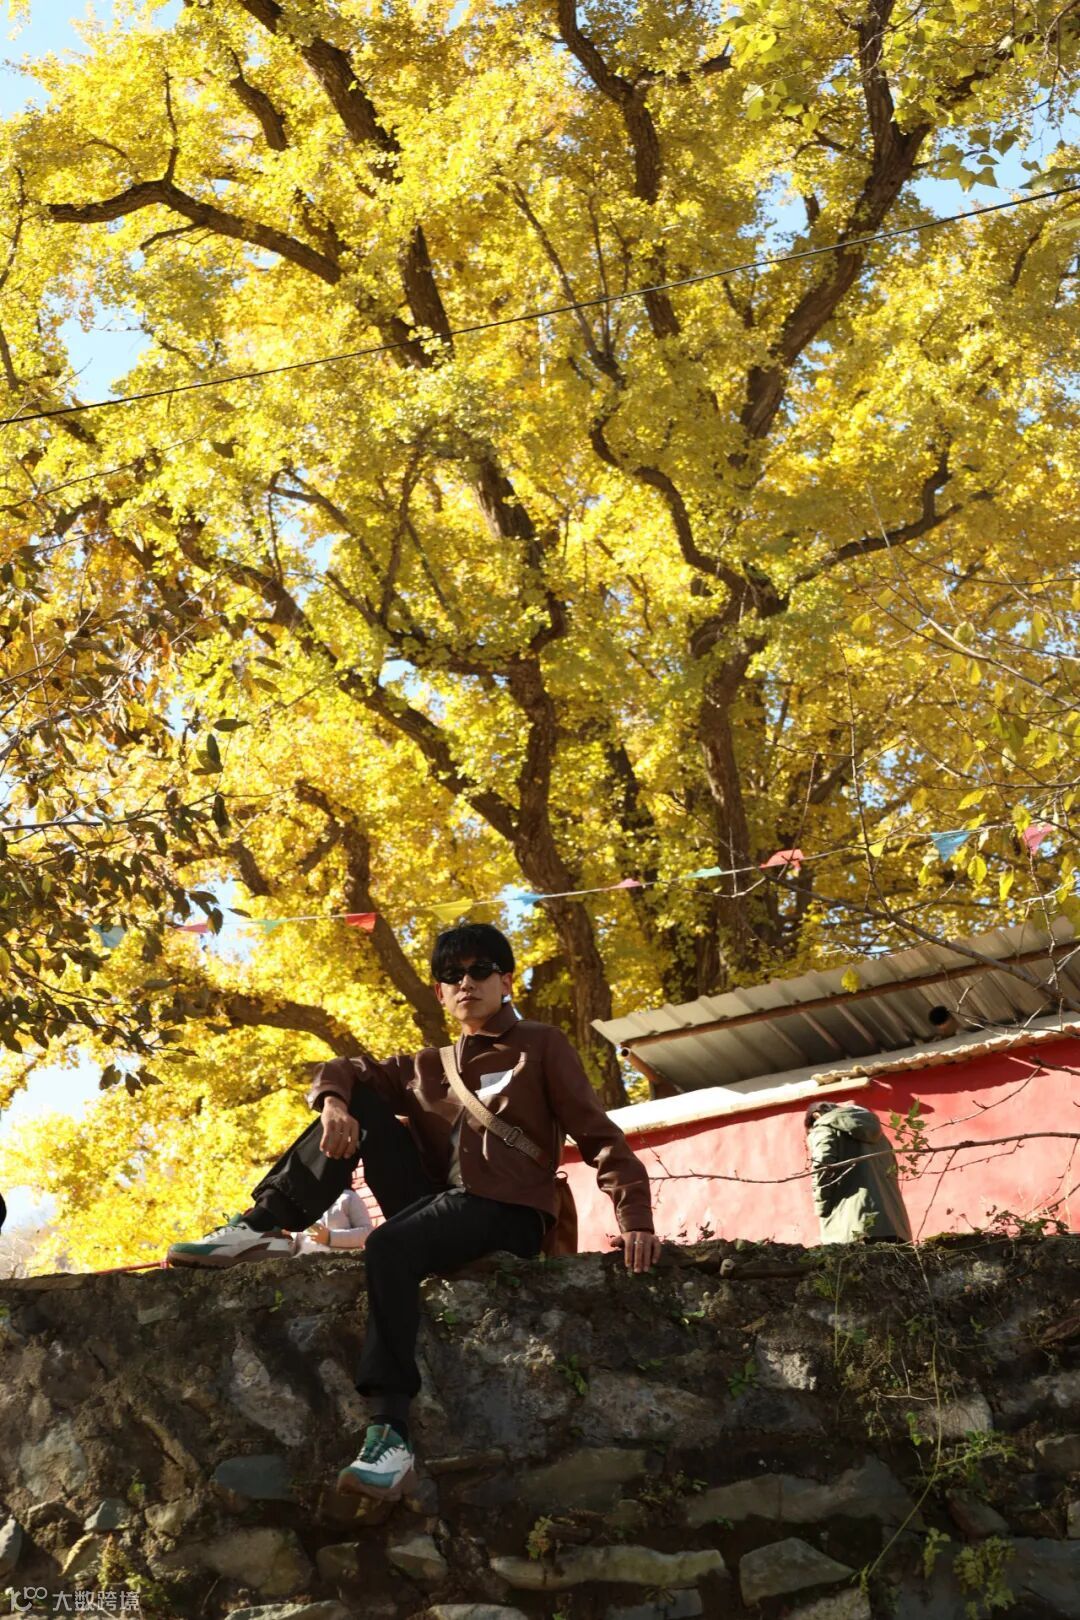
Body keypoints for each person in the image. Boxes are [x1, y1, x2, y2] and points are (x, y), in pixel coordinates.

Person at [167, 923, 660, 1501]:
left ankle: (390, 1433)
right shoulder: (428, 1065)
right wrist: (333, 1105)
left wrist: (635, 1219)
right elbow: (344, 1067)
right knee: (360, 1100)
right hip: (436, 1205)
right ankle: (262, 1225)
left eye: (480, 970)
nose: (466, 982)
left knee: (388, 1244)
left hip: (508, 1211)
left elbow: (600, 1137)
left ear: (506, 980)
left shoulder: (541, 1045)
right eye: (452, 975)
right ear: (439, 992)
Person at [805, 1099, 913, 1243]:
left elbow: (822, 1166)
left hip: (853, 1222)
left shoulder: (824, 1127)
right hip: (894, 1225)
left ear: (817, 1115)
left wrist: (822, 1208)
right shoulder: (881, 1138)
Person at [293, 1170, 374, 1256]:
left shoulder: (348, 1197)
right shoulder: (303, 1203)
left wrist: (330, 1237)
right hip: (305, 1262)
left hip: (340, 1261)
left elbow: (367, 1233)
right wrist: (291, 1235)